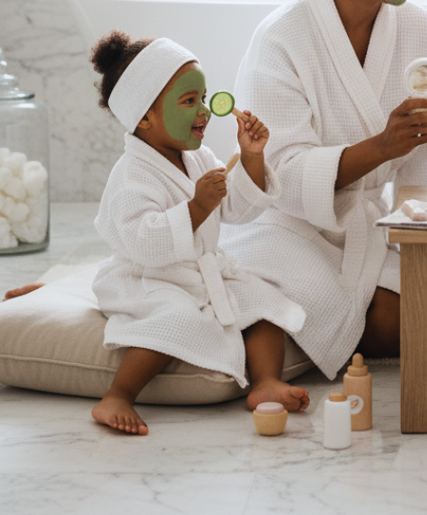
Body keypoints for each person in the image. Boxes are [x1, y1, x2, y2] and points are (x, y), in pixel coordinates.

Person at [220, 0, 427, 379]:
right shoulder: (282, 39)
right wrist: (380, 147)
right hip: (284, 226)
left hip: (372, 229)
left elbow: (426, 164)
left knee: (411, 320)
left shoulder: (422, 32)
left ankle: (285, 327)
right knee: (337, 307)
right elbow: (279, 175)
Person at [88, 32, 306, 435]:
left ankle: (265, 382)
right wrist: (196, 208)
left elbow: (235, 209)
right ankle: (118, 395)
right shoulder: (131, 176)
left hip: (198, 272)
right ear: (144, 117)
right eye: (189, 101)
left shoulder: (198, 158)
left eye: (204, 98)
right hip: (149, 277)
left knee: (262, 301)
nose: (204, 111)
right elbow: (144, 242)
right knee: (176, 318)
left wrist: (252, 157)